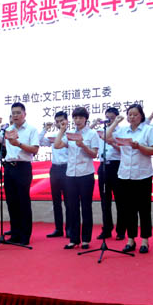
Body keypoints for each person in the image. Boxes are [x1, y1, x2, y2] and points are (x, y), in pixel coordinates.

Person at [106, 104, 153, 254]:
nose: (132, 117)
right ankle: (131, 239)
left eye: (135, 114)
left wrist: (139, 147)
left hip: (142, 175)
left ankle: (145, 240)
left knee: (144, 209)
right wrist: (115, 122)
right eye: (130, 115)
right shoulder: (123, 130)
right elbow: (107, 137)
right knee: (128, 209)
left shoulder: (148, 130)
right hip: (125, 175)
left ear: (141, 116)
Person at [0, 102, 39, 246]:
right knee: (11, 202)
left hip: (23, 167)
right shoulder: (8, 129)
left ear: (24, 114)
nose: (15, 115)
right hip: (9, 168)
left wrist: (18, 144)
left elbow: (35, 150)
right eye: (13, 113)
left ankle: (25, 235)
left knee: (23, 201)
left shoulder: (31, 130)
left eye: (18, 113)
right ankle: (15, 234)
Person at [54, 107, 99, 250]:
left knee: (86, 207)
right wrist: (62, 130)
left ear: (86, 119)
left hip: (85, 174)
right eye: (75, 118)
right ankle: (74, 239)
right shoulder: (70, 134)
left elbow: (94, 154)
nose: (78, 120)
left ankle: (85, 239)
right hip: (70, 175)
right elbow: (57, 145)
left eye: (80, 118)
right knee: (72, 207)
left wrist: (83, 146)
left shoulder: (92, 134)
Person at [92, 107, 123, 241]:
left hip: (117, 165)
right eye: (107, 117)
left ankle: (121, 230)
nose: (108, 120)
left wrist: (112, 143)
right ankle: (107, 229)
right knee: (105, 200)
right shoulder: (101, 131)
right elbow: (85, 134)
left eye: (111, 118)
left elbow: (124, 150)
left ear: (117, 118)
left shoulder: (122, 131)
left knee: (120, 200)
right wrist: (94, 123)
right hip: (103, 166)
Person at [38, 111, 70, 238]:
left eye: (62, 120)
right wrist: (45, 129)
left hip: (67, 169)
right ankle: (58, 229)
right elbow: (39, 141)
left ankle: (69, 229)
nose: (59, 123)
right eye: (57, 121)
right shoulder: (53, 136)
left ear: (67, 121)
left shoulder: (71, 135)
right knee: (56, 201)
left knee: (68, 201)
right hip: (55, 169)